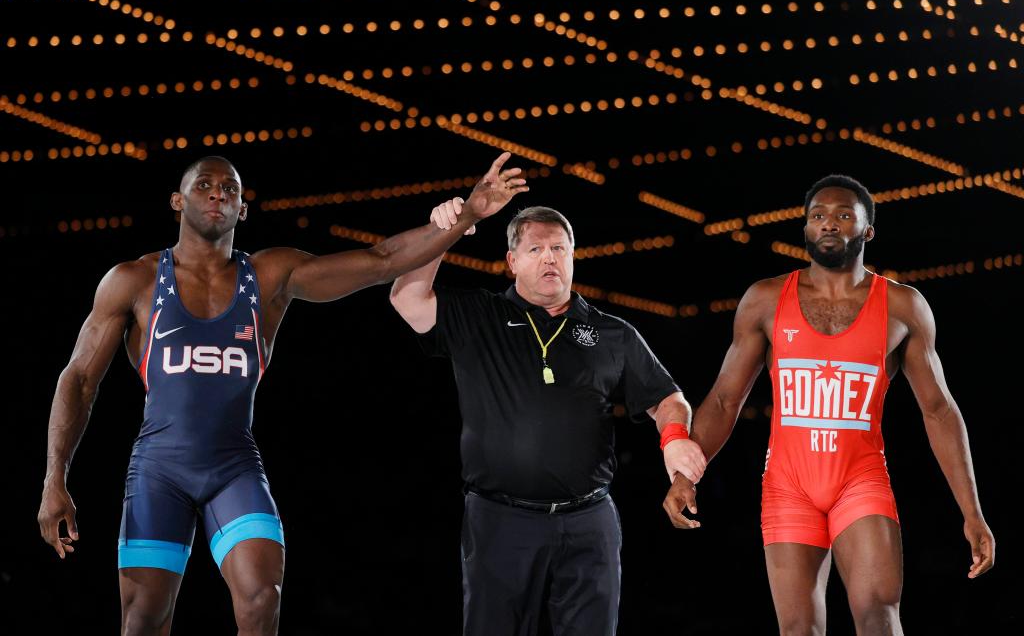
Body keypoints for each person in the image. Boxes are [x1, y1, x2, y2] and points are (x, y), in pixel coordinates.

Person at [36, 152, 526, 636]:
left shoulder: (270, 276)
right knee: (143, 619)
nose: (218, 194)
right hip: (159, 470)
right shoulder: (134, 280)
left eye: (231, 189)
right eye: (205, 184)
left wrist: (469, 214)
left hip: (233, 467)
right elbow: (78, 379)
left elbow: (381, 262)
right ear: (177, 201)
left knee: (261, 598)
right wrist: (54, 478)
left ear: (243, 209)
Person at [663, 174, 995, 634]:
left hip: (860, 480)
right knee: (799, 630)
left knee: (879, 615)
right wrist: (684, 475)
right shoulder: (765, 300)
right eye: (818, 216)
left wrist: (972, 511)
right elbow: (723, 400)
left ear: (867, 230)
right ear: (805, 230)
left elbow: (938, 410)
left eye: (843, 215)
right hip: (788, 486)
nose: (829, 224)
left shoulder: (902, 305)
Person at [390, 199, 706, 636]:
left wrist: (674, 439)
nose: (549, 258)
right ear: (511, 262)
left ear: (573, 257)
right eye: (536, 250)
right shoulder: (479, 316)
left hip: (589, 521)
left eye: (559, 249)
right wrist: (443, 233)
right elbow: (405, 297)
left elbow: (669, 398)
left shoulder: (611, 333)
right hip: (500, 519)